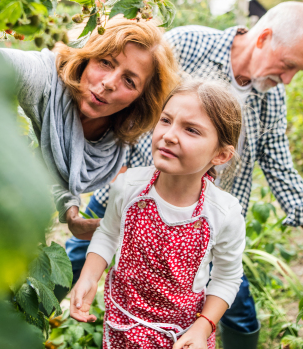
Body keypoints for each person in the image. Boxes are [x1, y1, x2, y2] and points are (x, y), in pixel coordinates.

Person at [68, 2, 303, 348]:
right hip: (133, 194)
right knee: (75, 260)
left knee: (233, 303)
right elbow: (130, 95)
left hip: (204, 226)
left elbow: (282, 172)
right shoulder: (189, 44)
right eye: (288, 66)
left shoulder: (272, 99)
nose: (287, 79)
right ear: (264, 38)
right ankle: (33, 318)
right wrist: (116, 164)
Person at [70, 79, 246, 349]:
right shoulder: (129, 186)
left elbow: (226, 277)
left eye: (191, 130)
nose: (170, 135)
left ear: (221, 154)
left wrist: (202, 328)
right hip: (123, 324)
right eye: (166, 120)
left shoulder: (223, 213)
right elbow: (108, 233)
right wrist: (89, 277)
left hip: (182, 336)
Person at [0, 19, 178, 225]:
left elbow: (61, 155)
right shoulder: (44, 79)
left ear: (141, 98)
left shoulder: (114, 135)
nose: (110, 83)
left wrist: (70, 212)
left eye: (129, 81)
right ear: (86, 57)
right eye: (105, 62)